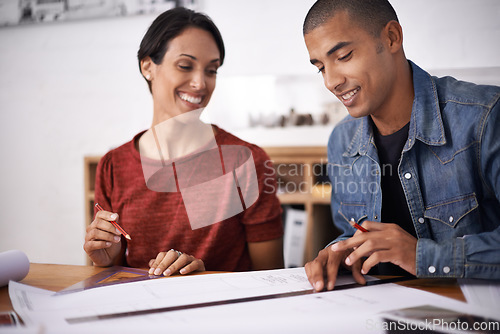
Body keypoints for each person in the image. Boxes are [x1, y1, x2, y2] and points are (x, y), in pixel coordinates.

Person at [302, 0, 500, 291]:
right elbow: (350, 230)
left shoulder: (484, 116)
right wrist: (341, 252)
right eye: (320, 67)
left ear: (392, 37)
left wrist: (422, 256)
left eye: (343, 56)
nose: (331, 81)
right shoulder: (342, 141)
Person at [84, 7, 284, 276]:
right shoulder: (113, 166)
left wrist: (204, 278)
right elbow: (110, 273)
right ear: (147, 67)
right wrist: (105, 259)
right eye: (185, 66)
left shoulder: (247, 160)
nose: (201, 83)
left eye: (211, 70)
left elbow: (270, 277)